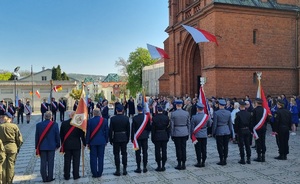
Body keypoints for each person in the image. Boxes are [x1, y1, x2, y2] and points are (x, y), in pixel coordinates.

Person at [60, 111, 86, 180]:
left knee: (67, 160)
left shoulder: (64, 123)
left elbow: (61, 135)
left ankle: (66, 175)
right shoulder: (78, 124)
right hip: (76, 145)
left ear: (69, 116)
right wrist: (84, 143)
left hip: (67, 145)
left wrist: (62, 143)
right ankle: (76, 175)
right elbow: (82, 135)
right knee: (76, 160)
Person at [35, 111, 60, 182]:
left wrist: (36, 147)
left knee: (43, 163)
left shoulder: (38, 125)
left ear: (44, 117)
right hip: (52, 146)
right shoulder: (55, 124)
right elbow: (57, 135)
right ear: (51, 117)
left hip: (42, 146)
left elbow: (37, 137)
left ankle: (44, 178)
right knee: (50, 162)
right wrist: (58, 144)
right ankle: (50, 177)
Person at [0, 113, 23, 184]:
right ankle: (10, 181)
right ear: (9, 119)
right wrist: (18, 146)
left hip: (2, 148)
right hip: (12, 147)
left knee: (3, 165)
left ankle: (3, 181)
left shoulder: (0, 126)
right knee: (11, 165)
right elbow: (19, 139)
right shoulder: (14, 126)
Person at [86, 108, 108, 178]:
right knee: (101, 157)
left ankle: (94, 173)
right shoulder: (104, 120)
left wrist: (87, 142)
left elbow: (88, 132)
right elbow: (106, 132)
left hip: (92, 142)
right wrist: (106, 141)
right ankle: (100, 172)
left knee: (93, 158)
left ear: (93, 113)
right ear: (99, 113)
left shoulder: (89, 121)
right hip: (102, 141)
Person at [109, 105, 130, 176]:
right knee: (124, 154)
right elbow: (128, 130)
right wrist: (127, 138)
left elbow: (110, 130)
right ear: (123, 110)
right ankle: (124, 169)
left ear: (116, 111)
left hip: (116, 137)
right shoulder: (126, 119)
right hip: (124, 137)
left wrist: (110, 139)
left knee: (116, 154)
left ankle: (118, 170)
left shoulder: (113, 119)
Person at [190, 102, 212, 168]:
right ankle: (203, 161)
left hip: (196, 135)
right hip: (204, 134)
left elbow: (192, 128)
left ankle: (199, 161)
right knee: (204, 148)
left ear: (197, 109)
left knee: (198, 149)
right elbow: (210, 124)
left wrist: (191, 135)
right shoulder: (207, 117)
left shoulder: (194, 117)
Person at [212, 99, 233, 166]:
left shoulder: (216, 113)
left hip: (219, 130)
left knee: (220, 146)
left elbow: (215, 124)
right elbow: (230, 124)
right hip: (226, 130)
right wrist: (231, 132)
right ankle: (225, 159)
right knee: (226, 146)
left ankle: (221, 159)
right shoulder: (228, 112)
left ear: (219, 105)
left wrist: (213, 132)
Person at [170, 99, 190, 170]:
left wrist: (171, 134)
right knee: (184, 148)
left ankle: (179, 163)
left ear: (176, 105)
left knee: (178, 148)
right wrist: (188, 133)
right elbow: (188, 124)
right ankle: (183, 163)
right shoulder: (186, 113)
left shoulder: (173, 113)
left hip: (177, 132)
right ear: (181, 105)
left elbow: (172, 126)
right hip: (184, 132)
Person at [131, 104, 151, 173]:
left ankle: (138, 167)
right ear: (143, 109)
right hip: (145, 137)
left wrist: (132, 138)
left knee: (137, 153)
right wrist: (147, 134)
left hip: (137, 138)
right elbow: (149, 128)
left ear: (137, 109)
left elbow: (132, 129)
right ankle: (145, 167)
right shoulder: (146, 117)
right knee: (145, 152)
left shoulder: (135, 118)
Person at [151, 105, 170, 171]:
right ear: (162, 110)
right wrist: (168, 136)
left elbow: (153, 130)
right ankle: (163, 165)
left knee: (157, 151)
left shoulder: (154, 118)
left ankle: (159, 165)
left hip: (157, 136)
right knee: (164, 151)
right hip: (164, 135)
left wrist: (152, 138)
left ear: (157, 110)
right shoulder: (166, 118)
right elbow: (168, 129)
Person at [252, 98, 268, 162]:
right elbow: (267, 120)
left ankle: (259, 156)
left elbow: (252, 120)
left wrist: (252, 129)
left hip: (257, 128)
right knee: (263, 141)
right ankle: (263, 156)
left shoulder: (254, 110)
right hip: (263, 128)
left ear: (256, 103)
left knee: (258, 142)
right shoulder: (265, 110)